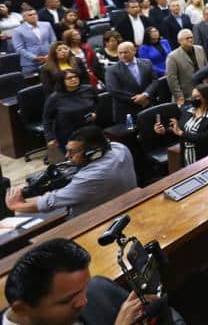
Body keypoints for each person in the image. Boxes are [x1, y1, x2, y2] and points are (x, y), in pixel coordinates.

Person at [2, 238, 146, 325]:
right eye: (68, 300)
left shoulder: (98, 289)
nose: (84, 301)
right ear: (22, 308)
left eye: (84, 287)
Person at [8, 125, 136, 219]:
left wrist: (17, 206)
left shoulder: (89, 178)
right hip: (126, 206)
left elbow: (51, 202)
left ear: (92, 153)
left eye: (72, 152)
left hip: (95, 221)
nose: (67, 156)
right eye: (67, 151)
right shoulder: (120, 149)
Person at [157, 84, 208, 167]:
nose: (193, 100)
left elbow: (205, 138)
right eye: (193, 97)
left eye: (197, 97)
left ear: (207, 98)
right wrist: (164, 130)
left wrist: (181, 133)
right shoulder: (188, 110)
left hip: (206, 156)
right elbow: (179, 129)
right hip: (187, 155)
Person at [105, 42, 159, 123]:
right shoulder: (111, 70)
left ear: (134, 51)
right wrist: (140, 100)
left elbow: (154, 81)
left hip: (148, 105)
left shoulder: (147, 63)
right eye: (120, 53)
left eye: (125, 52)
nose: (123, 55)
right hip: (127, 111)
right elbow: (114, 90)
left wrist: (145, 95)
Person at [43, 70, 97, 151]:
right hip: (67, 134)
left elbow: (97, 103)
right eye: (69, 78)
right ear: (62, 81)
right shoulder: (55, 98)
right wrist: (50, 138)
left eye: (76, 77)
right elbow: (47, 119)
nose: (74, 79)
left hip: (88, 130)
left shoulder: (88, 89)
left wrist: (94, 113)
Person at [165, 28, 208, 107]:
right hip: (187, 95)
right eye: (187, 38)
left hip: (204, 91)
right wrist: (179, 96)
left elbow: (206, 68)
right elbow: (172, 79)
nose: (190, 39)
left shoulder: (200, 49)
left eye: (191, 37)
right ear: (180, 41)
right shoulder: (172, 56)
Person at [11, 9, 57, 75]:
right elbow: (19, 48)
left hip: (49, 59)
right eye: (30, 15)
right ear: (24, 17)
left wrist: (49, 54)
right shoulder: (17, 30)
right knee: (32, 83)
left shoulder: (46, 24)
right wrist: (34, 57)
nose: (34, 16)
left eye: (35, 14)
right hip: (30, 63)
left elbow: (53, 41)